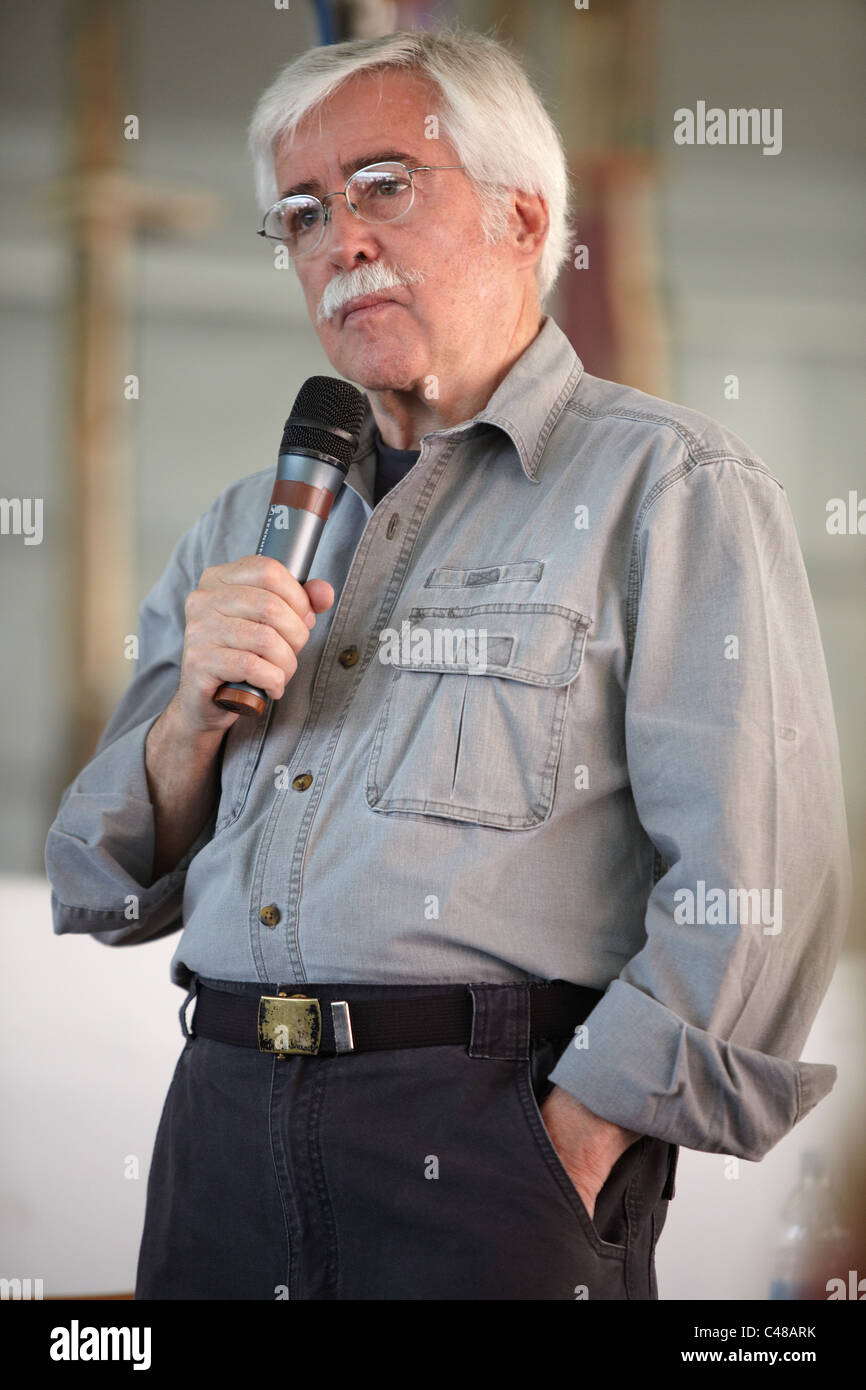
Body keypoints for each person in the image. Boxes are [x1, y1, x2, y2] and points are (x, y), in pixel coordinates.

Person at [45, 25, 851, 1301]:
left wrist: (570, 1142)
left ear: (524, 218)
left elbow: (757, 880)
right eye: (300, 214)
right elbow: (100, 878)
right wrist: (188, 722)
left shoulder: (668, 487)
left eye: (382, 184)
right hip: (218, 1125)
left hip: (481, 1142)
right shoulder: (249, 519)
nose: (338, 239)